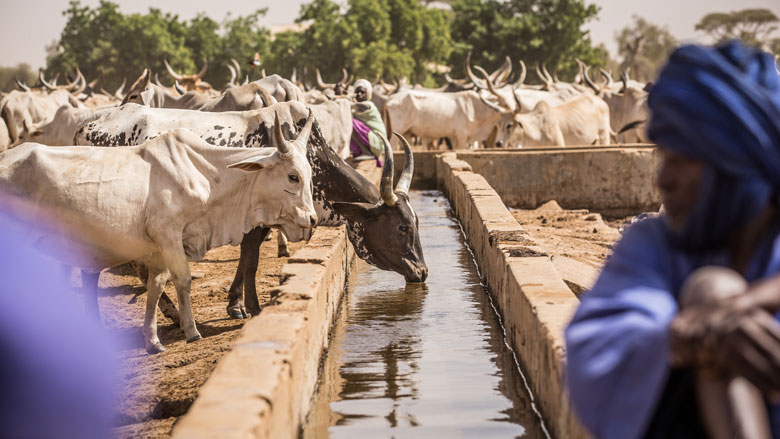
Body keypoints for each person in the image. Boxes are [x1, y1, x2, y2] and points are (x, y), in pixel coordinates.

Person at [565, 41, 780, 439]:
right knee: (712, 288)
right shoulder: (655, 243)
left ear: (735, 162)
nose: (662, 180)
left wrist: (739, 308)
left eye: (681, 160)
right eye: (662, 158)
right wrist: (691, 339)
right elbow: (595, 352)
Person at [350, 79, 386, 167]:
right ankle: (362, 151)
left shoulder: (368, 104)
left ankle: (366, 152)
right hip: (373, 141)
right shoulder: (356, 106)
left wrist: (342, 100)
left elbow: (352, 107)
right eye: (357, 92)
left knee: (350, 122)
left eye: (362, 92)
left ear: (367, 94)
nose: (359, 94)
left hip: (378, 142)